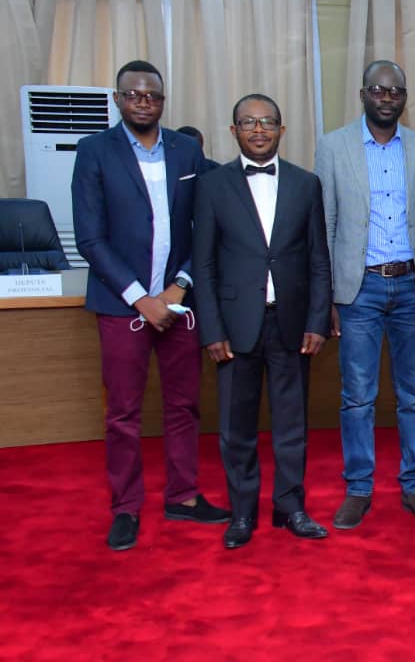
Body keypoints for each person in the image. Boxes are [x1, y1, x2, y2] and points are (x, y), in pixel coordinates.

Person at [71, 59, 230, 551]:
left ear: (163, 101)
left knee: (184, 405)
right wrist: (140, 298)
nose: (143, 102)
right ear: (117, 99)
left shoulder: (186, 150)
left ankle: (183, 496)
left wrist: (179, 286)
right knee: (123, 411)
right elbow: (90, 238)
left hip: (180, 304)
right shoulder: (94, 151)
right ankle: (125, 507)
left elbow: (204, 224)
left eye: (152, 96)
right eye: (133, 94)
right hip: (124, 306)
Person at [192, 94, 332, 549]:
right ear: (233, 131)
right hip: (235, 327)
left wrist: (317, 320)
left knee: (293, 425)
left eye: (267, 122)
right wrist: (212, 329)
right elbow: (204, 264)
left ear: (281, 130)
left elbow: (318, 259)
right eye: (248, 122)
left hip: (291, 323)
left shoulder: (306, 184)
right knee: (236, 428)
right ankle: (242, 513)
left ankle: (291, 507)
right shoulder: (212, 186)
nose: (258, 130)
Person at [314, 60, 415, 529]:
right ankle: (358, 488)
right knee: (357, 396)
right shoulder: (332, 147)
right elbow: (325, 223)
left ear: (404, 98)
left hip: (412, 286)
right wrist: (328, 297)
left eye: (395, 91)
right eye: (378, 89)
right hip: (359, 289)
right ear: (363, 94)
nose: (386, 97)